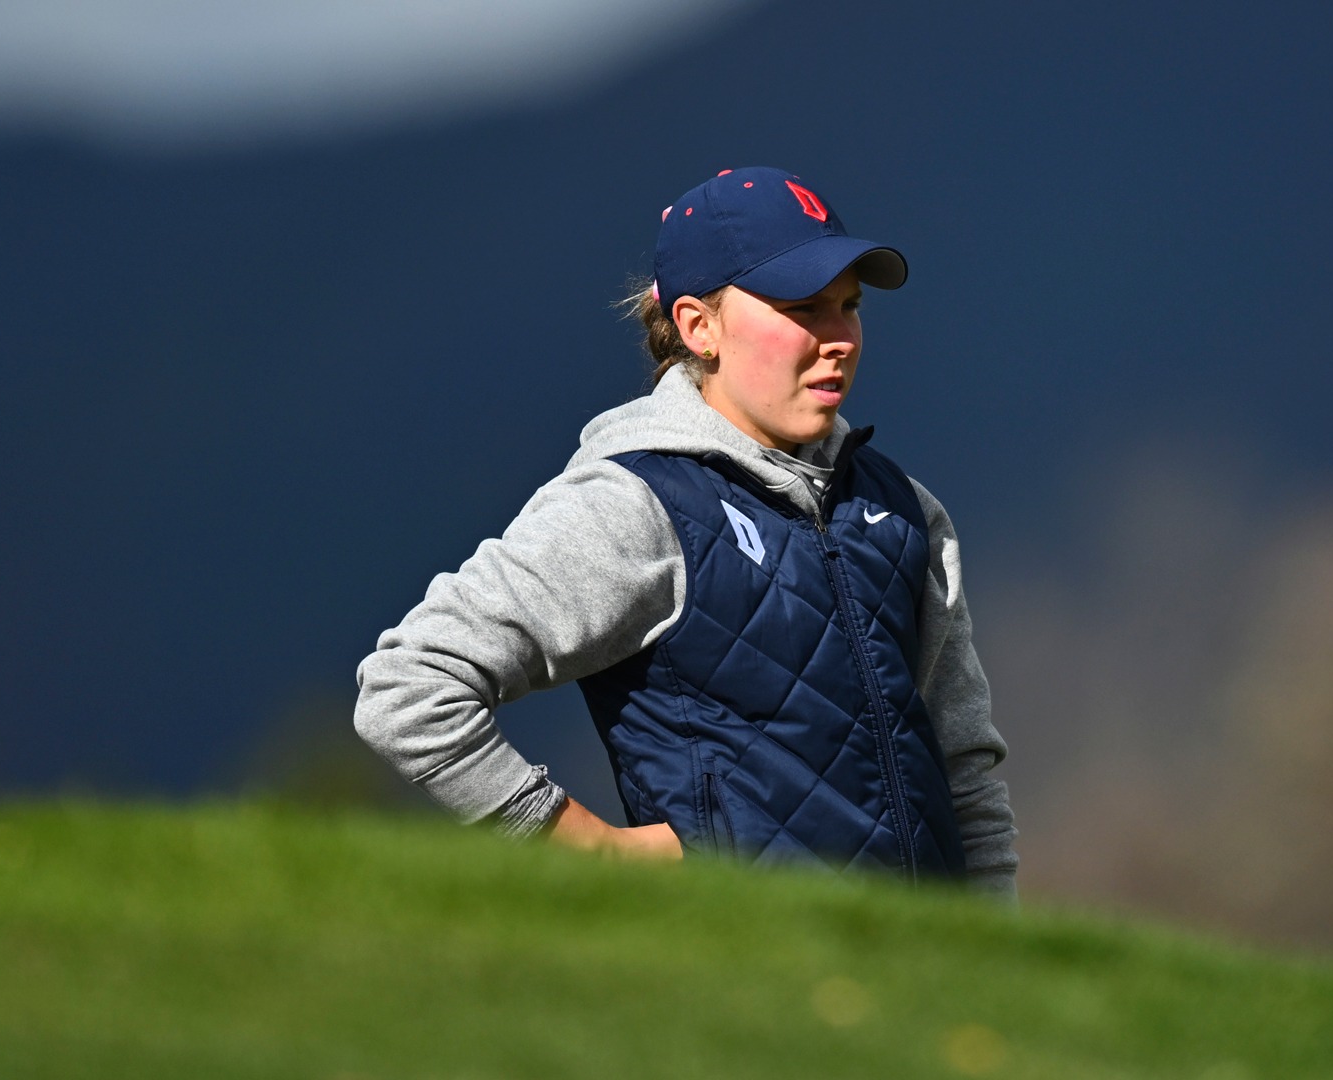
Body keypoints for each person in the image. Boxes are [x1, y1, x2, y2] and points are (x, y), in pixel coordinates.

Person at [353, 166, 1019, 899]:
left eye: (849, 306)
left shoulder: (902, 510)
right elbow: (409, 690)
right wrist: (579, 845)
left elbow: (964, 775)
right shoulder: (635, 503)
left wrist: (992, 962)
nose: (839, 339)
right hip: (743, 983)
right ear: (700, 327)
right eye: (803, 308)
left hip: (924, 985)